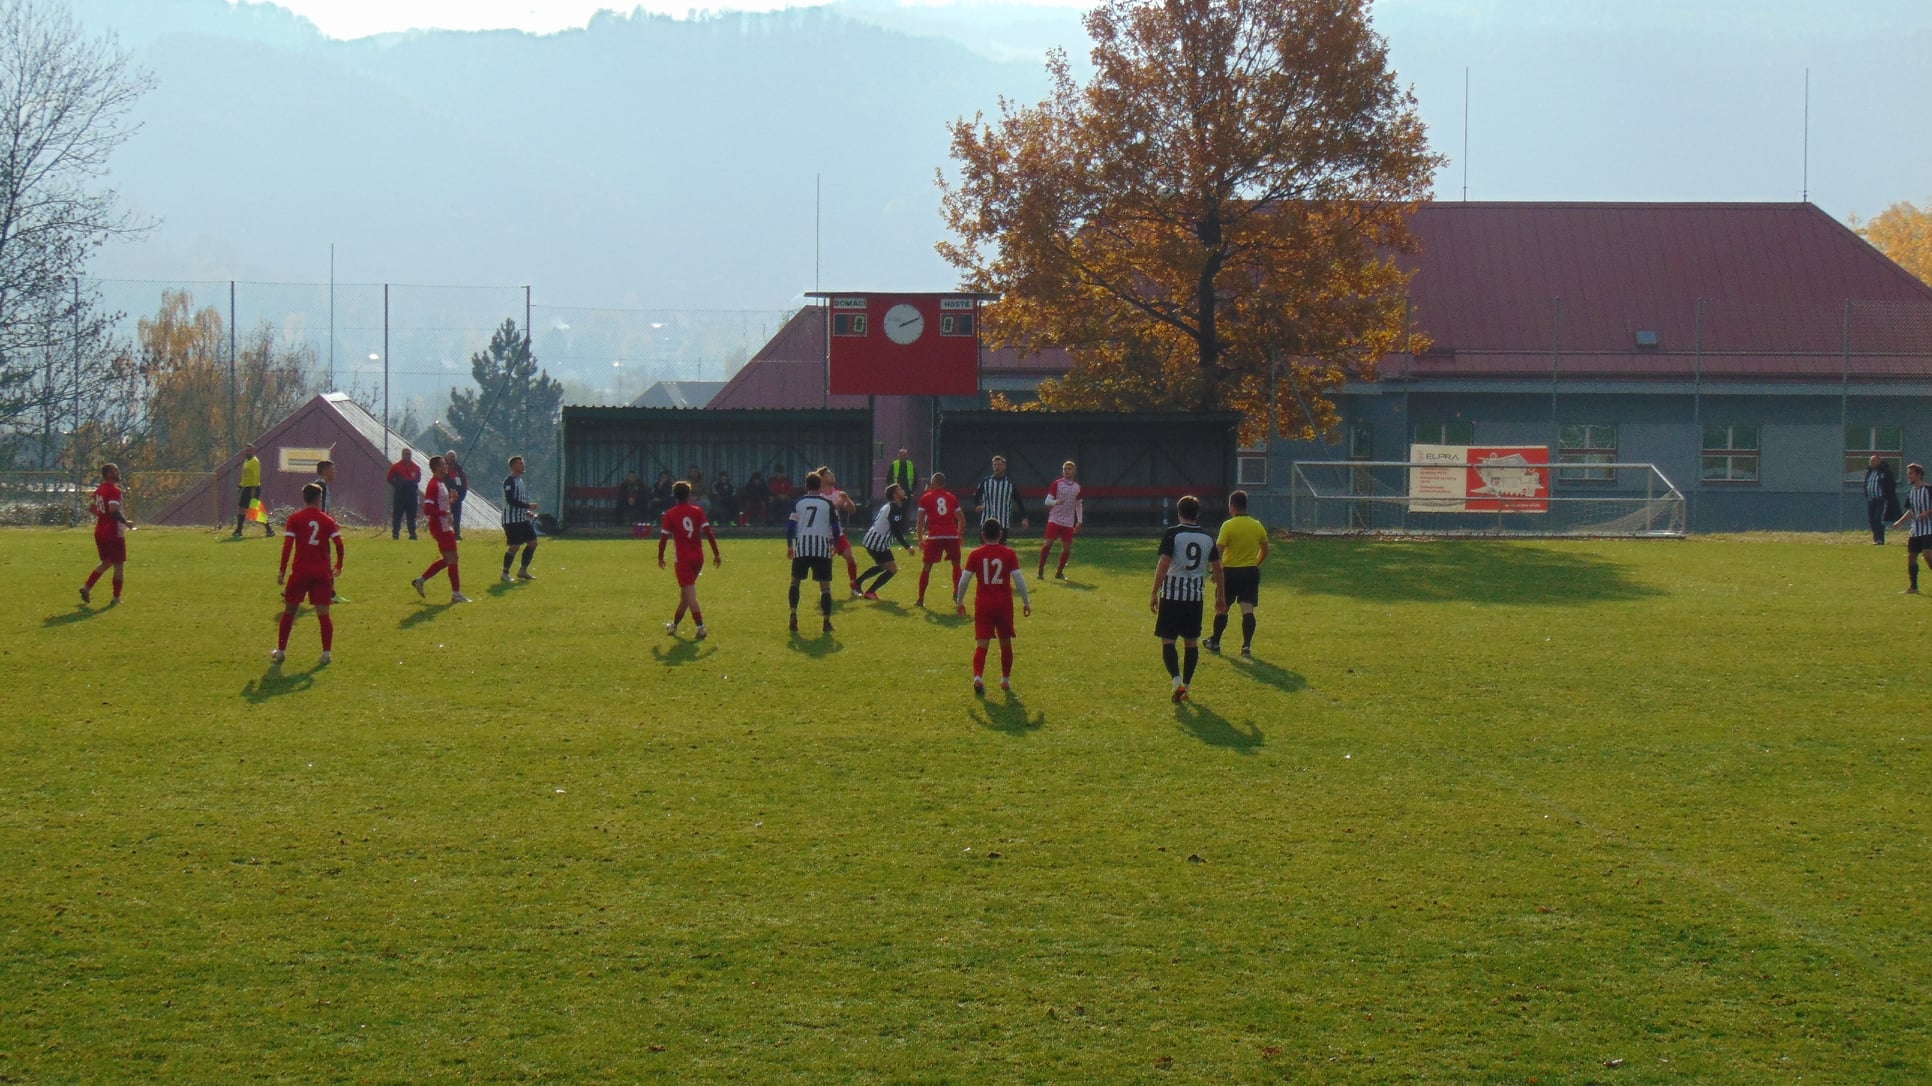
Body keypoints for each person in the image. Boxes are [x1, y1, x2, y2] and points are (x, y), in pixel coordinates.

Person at [1151, 495, 1224, 703]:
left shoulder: (1173, 533)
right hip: (1195, 598)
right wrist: (1221, 596)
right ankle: (1188, 686)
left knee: (1168, 641)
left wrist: (1154, 591)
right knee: (1191, 643)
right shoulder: (1207, 536)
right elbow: (1218, 569)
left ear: (1179, 512)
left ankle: (1177, 682)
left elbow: (1164, 563)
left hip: (1173, 596)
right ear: (1197, 513)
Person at [955, 517, 1032, 696]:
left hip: (983, 604)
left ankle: (978, 677)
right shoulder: (1009, 554)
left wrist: (959, 601)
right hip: (1004, 604)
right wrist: (1026, 601)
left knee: (982, 643)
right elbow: (1018, 578)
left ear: (982, 535)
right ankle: (1005, 680)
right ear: (1000, 534)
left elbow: (964, 580)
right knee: (1005, 643)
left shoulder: (976, 554)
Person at [274, 482, 343, 665]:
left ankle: (281, 651)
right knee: (323, 613)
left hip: (301, 571)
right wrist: (339, 565)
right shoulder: (327, 520)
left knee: (290, 610)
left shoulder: (295, 518)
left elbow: (288, 546)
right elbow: (339, 544)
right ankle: (327, 653)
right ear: (319, 499)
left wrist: (282, 570)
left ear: (304, 498)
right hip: (321, 572)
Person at [1207, 489, 1270, 657]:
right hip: (1249, 572)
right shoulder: (1256, 525)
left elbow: (1218, 550)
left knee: (1223, 608)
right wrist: (1256, 563)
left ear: (1232, 506)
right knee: (1247, 609)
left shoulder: (1228, 525)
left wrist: (1215, 571)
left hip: (1230, 572)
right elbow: (1265, 549)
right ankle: (1246, 646)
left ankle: (1215, 641)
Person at [659, 480, 723, 639]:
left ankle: (701, 627)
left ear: (674, 496)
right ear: (689, 495)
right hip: (698, 558)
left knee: (690, 595)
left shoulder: (671, 514)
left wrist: (660, 557)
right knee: (686, 596)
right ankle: (673, 626)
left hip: (683, 560)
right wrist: (716, 553)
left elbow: (663, 539)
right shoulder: (697, 511)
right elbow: (709, 533)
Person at [786, 471, 843, 635]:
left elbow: (790, 527)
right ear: (819, 486)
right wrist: (836, 545)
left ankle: (793, 614)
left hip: (802, 547)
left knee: (795, 582)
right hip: (822, 549)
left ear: (806, 486)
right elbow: (836, 528)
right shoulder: (827, 504)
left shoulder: (799, 503)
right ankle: (826, 622)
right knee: (825, 586)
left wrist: (790, 545)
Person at [410, 455, 470, 603]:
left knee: (448, 559)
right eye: (443, 464)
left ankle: (420, 581)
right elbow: (428, 509)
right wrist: (444, 513)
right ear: (436, 467)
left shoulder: (441, 483)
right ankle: (456, 594)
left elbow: (440, 506)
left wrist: (451, 501)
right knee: (453, 558)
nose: (446, 466)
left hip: (444, 525)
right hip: (441, 527)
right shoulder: (433, 485)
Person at [79, 463, 133, 606]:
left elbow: (91, 507)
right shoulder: (114, 491)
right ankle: (116, 598)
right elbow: (114, 510)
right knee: (119, 565)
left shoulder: (99, 490)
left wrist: (102, 516)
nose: (118, 473)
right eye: (116, 471)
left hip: (100, 531)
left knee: (106, 562)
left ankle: (86, 587)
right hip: (113, 532)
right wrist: (126, 522)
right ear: (109, 474)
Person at [916, 470, 965, 608]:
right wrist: (959, 534)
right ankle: (957, 593)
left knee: (927, 566)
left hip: (935, 535)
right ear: (944, 484)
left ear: (933, 483)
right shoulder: (951, 497)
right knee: (956, 564)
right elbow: (961, 519)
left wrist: (920, 539)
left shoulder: (925, 498)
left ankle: (920, 599)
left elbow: (920, 522)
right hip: (951, 534)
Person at [855, 483, 913, 599]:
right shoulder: (894, 508)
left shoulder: (892, 506)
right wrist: (907, 547)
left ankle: (857, 583)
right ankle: (870, 592)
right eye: (900, 490)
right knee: (892, 569)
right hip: (877, 542)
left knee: (883, 566)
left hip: (872, 540)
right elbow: (895, 530)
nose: (903, 491)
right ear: (895, 495)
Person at [816, 465, 864, 596]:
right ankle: (825, 591)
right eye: (829, 474)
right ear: (821, 478)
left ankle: (854, 586)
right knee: (826, 563)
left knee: (850, 558)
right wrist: (837, 505)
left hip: (838, 533)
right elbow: (824, 513)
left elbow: (852, 510)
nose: (832, 475)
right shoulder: (818, 495)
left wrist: (847, 500)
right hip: (823, 535)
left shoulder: (837, 493)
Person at [1038, 459, 1084, 580]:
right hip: (1055, 518)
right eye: (1065, 469)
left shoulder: (1077, 487)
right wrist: (1056, 502)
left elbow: (1079, 504)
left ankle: (1059, 572)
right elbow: (1047, 501)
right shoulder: (1057, 484)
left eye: (1069, 469)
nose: (1066, 471)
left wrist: (1079, 521)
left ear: (1074, 471)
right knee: (1048, 544)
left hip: (1068, 521)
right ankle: (1041, 569)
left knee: (1067, 548)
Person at [501, 455, 540, 582]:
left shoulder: (520, 481)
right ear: (513, 466)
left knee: (533, 542)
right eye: (519, 463)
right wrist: (527, 506)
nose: (522, 465)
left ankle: (523, 570)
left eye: (522, 463)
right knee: (514, 546)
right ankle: (505, 573)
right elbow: (510, 500)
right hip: (511, 520)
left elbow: (519, 501)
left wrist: (526, 511)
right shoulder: (509, 481)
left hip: (521, 519)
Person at [312, 459, 347, 603]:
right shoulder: (321, 486)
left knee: (311, 560)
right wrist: (327, 524)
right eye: (332, 469)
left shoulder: (320, 485)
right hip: (320, 530)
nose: (335, 472)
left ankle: (292, 589)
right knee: (325, 560)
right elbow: (319, 509)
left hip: (317, 527)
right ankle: (331, 594)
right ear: (325, 471)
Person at [1895, 463, 1932, 593]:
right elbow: (1911, 511)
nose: (1908, 476)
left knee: (1927, 555)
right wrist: (1900, 522)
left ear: (1919, 475)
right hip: (1915, 530)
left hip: (1928, 529)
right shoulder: (1911, 492)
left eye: (1911, 473)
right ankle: (1913, 587)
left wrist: (1928, 512)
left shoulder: (1928, 489)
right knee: (1911, 557)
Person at [974, 454, 1028, 542]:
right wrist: (977, 505)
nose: (996, 467)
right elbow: (976, 496)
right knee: (984, 547)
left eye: (999, 464)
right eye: (994, 465)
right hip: (987, 521)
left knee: (1000, 548)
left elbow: (1019, 501)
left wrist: (1024, 518)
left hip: (1003, 522)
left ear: (1004, 466)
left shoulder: (1010, 484)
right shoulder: (985, 482)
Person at [234, 442, 272, 537]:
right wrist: (241, 485)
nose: (247, 452)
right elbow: (245, 476)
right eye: (246, 450)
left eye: (249, 450)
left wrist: (254, 490)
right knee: (241, 508)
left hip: (253, 488)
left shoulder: (254, 461)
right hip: (246, 487)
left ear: (253, 451)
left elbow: (256, 476)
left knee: (256, 510)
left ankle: (269, 530)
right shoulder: (247, 461)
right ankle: (239, 530)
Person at [1865, 454, 1901, 545]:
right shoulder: (1869, 472)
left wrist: (1887, 495)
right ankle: (1876, 539)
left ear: (1879, 461)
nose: (1872, 463)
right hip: (1871, 499)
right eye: (1871, 461)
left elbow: (1891, 485)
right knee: (1872, 519)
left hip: (1881, 500)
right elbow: (1866, 484)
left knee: (1878, 518)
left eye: (1874, 461)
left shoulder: (1885, 472)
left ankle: (1880, 539)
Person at [387, 448, 422, 540]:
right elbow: (389, 478)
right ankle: (395, 533)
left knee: (411, 516)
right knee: (397, 515)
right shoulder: (396, 467)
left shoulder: (416, 467)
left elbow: (418, 479)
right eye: (406, 454)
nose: (407, 456)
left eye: (409, 454)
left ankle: (412, 533)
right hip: (400, 495)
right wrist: (398, 485)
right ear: (402, 455)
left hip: (412, 495)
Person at [444, 450, 470, 540]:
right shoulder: (443, 469)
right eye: (450, 456)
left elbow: (465, 484)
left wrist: (461, 496)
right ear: (446, 457)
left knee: (457, 517)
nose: (452, 458)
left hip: (457, 498)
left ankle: (457, 534)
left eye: (453, 457)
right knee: (445, 517)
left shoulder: (459, 470)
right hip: (445, 498)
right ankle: (445, 534)